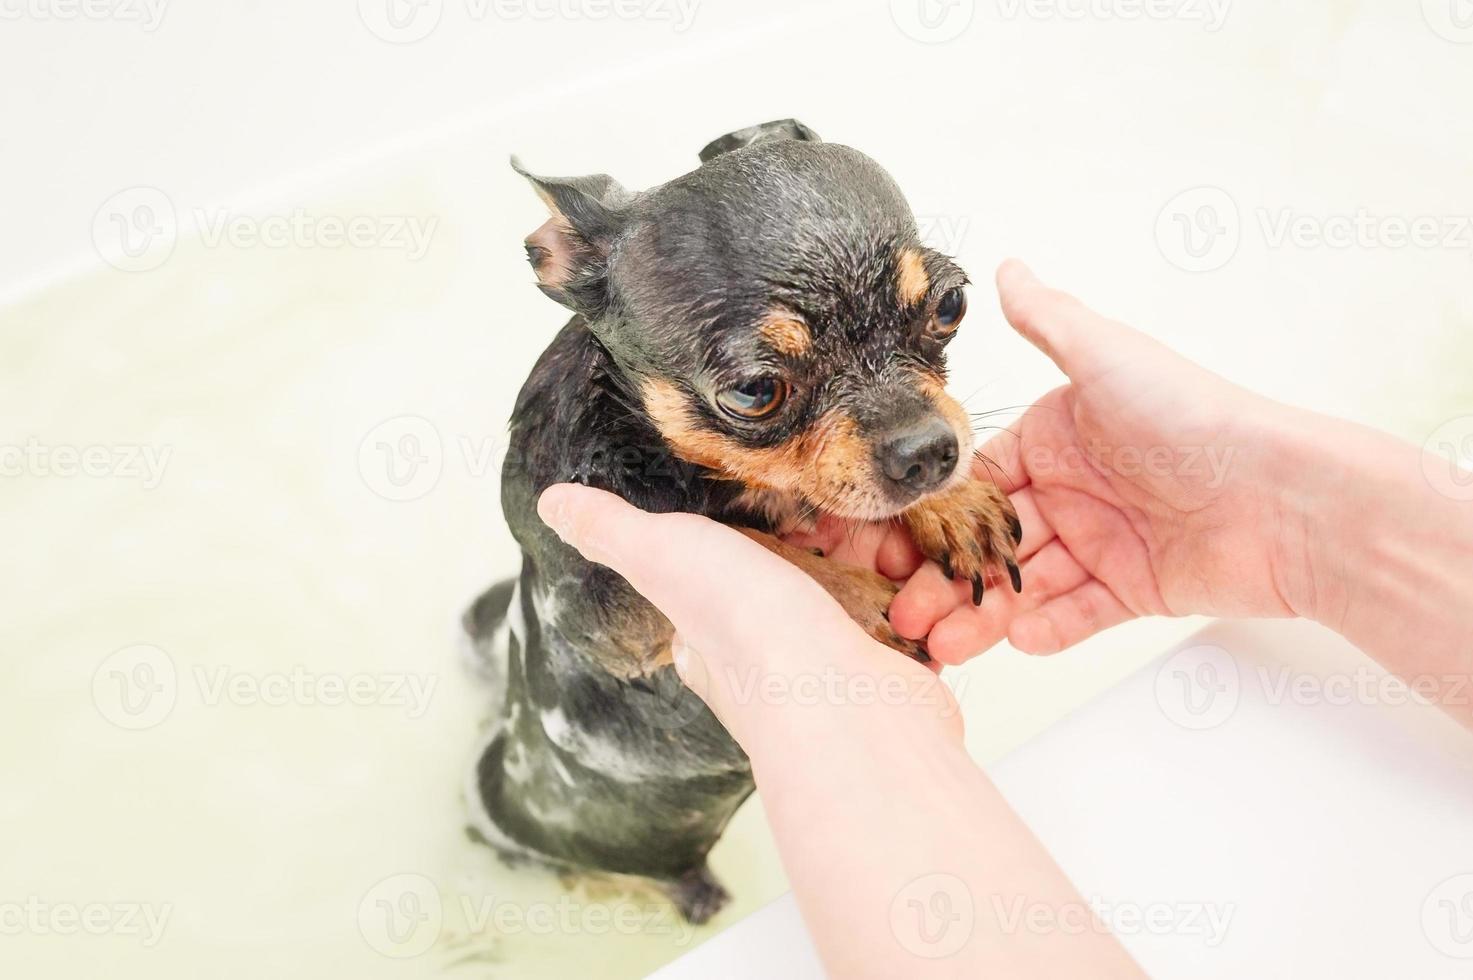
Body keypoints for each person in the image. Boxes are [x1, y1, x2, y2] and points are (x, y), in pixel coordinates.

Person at [535, 260, 1473, 977]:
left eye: (937, 311)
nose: (922, 440)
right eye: (759, 389)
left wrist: (831, 703)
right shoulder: (586, 445)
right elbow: (613, 624)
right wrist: (1294, 520)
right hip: (600, 784)